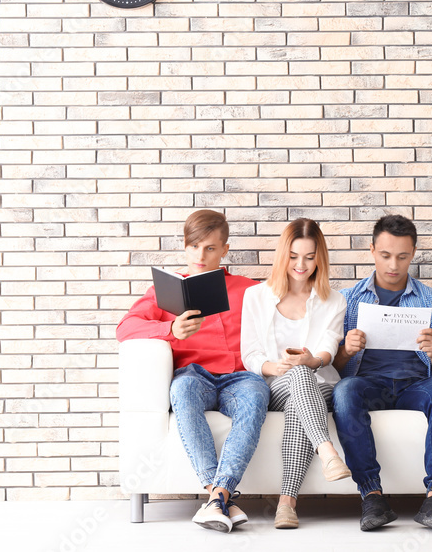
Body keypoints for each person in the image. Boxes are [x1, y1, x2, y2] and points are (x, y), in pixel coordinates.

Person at [116, 210, 268, 534]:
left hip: (239, 377)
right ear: (184, 246)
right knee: (181, 391)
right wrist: (171, 328)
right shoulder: (166, 291)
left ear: (224, 249)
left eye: (210, 248)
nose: (200, 255)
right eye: (194, 246)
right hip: (193, 375)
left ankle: (216, 497)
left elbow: (279, 326)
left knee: (257, 394)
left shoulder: (249, 289)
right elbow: (125, 328)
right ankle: (221, 496)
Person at [332, 214, 432, 533]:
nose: (393, 265)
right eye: (386, 255)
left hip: (417, 384)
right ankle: (372, 497)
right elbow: (331, 368)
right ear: (372, 250)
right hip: (368, 383)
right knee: (344, 391)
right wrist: (346, 350)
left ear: (413, 254)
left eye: (402, 257)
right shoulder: (346, 301)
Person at [239, 218, 351, 529]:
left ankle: (286, 504)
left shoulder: (334, 300)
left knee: (302, 384)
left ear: (320, 258)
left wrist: (311, 360)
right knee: (298, 377)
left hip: (320, 385)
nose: (301, 265)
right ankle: (327, 450)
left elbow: (328, 348)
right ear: (283, 255)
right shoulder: (256, 296)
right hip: (275, 385)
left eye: (309, 257)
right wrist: (273, 367)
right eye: (293, 256)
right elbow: (249, 353)